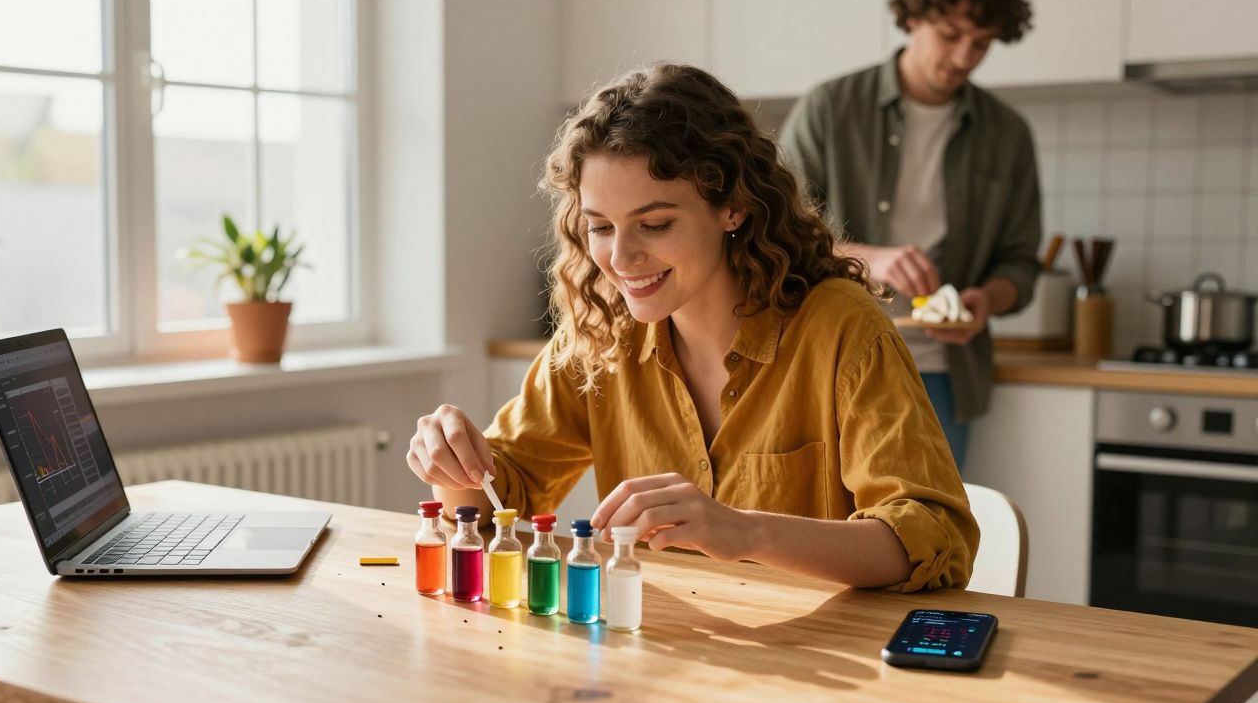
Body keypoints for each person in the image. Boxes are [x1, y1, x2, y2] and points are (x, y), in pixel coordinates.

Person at [408, 64, 976, 591]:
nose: (622, 258)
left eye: (654, 223)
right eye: (600, 227)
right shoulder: (602, 331)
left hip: (824, 665)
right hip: (662, 653)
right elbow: (495, 499)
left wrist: (743, 531)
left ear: (732, 205)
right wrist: (452, 460)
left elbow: (931, 536)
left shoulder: (842, 330)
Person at [780, 0, 1041, 469]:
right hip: (826, 361)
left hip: (942, 375)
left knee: (932, 534)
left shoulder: (1007, 135)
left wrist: (987, 301)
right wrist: (870, 259)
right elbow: (779, 231)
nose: (964, 57)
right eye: (951, 36)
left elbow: (1020, 262)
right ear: (914, 17)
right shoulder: (831, 108)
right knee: (815, 528)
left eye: (981, 44)